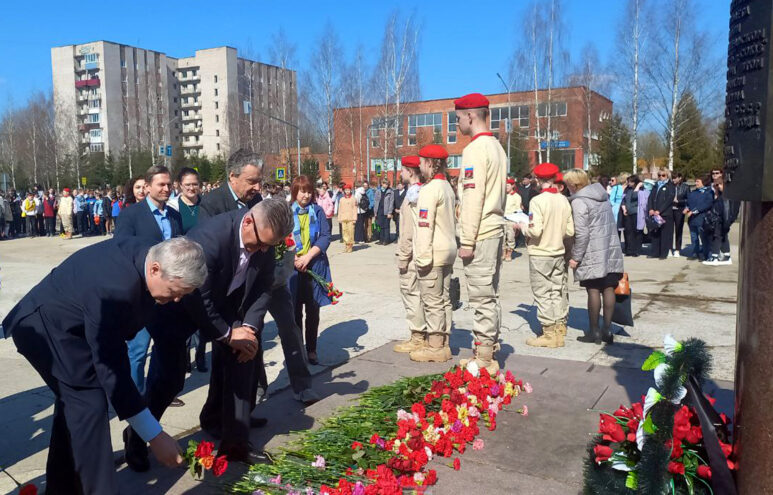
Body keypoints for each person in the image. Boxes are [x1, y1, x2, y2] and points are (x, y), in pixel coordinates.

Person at [2, 236, 207, 493]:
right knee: (88, 403)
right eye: (175, 292)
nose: (177, 299)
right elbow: (111, 364)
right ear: (155, 269)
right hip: (47, 329)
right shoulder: (115, 287)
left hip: (76, 327)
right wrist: (153, 434)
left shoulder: (149, 258)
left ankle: (62, 487)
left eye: (183, 295)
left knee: (75, 410)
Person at [143, 202, 292, 467]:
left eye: (269, 246)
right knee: (169, 381)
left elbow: (264, 287)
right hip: (180, 309)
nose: (263, 251)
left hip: (226, 306)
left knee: (244, 356)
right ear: (248, 222)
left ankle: (234, 442)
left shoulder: (264, 240)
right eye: (260, 245)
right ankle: (137, 434)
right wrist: (227, 334)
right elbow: (199, 299)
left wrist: (249, 328)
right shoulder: (209, 239)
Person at [198, 149, 317, 409]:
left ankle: (302, 385)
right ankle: (254, 394)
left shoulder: (258, 200)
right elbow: (210, 252)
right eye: (252, 181)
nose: (257, 187)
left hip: (269, 279)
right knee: (250, 339)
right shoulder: (212, 203)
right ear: (233, 176)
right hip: (237, 290)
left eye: (259, 181)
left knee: (290, 328)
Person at [115, 166, 183, 400]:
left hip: (168, 296)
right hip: (141, 294)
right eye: (161, 184)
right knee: (138, 350)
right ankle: (135, 398)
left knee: (164, 348)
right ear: (148, 186)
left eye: (169, 184)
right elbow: (121, 251)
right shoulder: (131, 215)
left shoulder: (174, 215)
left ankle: (159, 393)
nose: (166, 188)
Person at [454, 93, 507, 373]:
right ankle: (486, 351)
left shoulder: (475, 150)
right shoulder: (497, 147)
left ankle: (485, 360)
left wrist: (467, 240)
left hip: (481, 232)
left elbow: (473, 198)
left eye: (459, 118)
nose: (458, 123)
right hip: (493, 229)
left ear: (471, 116)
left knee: (481, 296)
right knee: (490, 294)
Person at [514, 163, 575, 348]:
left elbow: (536, 231)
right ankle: (560, 327)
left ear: (539, 180)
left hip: (541, 252)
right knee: (558, 290)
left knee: (543, 293)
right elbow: (570, 231)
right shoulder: (564, 200)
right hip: (558, 251)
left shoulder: (538, 201)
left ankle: (549, 333)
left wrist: (522, 226)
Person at [564, 170, 624, 345]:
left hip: (592, 252)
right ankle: (607, 329)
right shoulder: (602, 197)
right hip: (610, 249)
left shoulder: (579, 202)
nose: (566, 187)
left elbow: (582, 234)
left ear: (574, 185)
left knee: (593, 290)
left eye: (568, 184)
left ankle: (594, 331)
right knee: (609, 288)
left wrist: (575, 257)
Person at [409, 146, 456, 363]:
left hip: (433, 252)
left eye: (421, 162)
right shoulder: (447, 186)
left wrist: (422, 257)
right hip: (448, 249)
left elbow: (425, 226)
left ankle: (435, 346)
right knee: (445, 299)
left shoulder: (429, 190)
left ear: (429, 163)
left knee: (432, 301)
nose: (419, 166)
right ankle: (444, 342)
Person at [289, 175, 332, 366]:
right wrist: (293, 257)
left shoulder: (318, 211)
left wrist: (308, 257)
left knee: (313, 311)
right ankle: (297, 349)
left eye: (308, 191)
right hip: (293, 269)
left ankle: (312, 349)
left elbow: (325, 237)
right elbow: (279, 238)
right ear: (294, 192)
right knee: (294, 312)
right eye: (301, 191)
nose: (305, 195)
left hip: (314, 267)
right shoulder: (286, 213)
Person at [168, 167, 207, 372]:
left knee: (202, 314)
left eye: (195, 184)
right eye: (188, 184)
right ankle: (184, 360)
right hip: (183, 266)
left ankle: (201, 356)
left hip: (203, 265)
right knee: (184, 315)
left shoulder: (205, 205)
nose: (192, 188)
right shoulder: (173, 207)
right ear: (179, 185)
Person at [393, 155, 428, 353]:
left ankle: (417, 336)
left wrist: (403, 256)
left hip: (412, 253)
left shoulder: (413, 195)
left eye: (403, 170)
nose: (401, 173)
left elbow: (408, 230)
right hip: (420, 252)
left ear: (411, 172)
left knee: (411, 293)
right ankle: (421, 334)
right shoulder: (419, 192)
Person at [647, 168, 677, 259]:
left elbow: (669, 200)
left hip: (665, 214)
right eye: (659, 175)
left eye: (663, 175)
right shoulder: (656, 185)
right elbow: (651, 198)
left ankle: (663, 253)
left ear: (667, 176)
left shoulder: (670, 186)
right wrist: (651, 208)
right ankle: (655, 252)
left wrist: (659, 210)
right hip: (655, 213)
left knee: (665, 234)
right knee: (655, 233)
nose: (661, 177)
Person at [684, 175, 713, 261]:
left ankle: (706, 254)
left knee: (704, 238)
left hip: (702, 219)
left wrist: (694, 211)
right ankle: (695, 253)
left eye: (698, 181)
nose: (696, 183)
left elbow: (706, 205)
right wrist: (687, 208)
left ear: (704, 182)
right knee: (694, 238)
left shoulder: (709, 193)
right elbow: (688, 202)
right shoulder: (693, 193)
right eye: (696, 181)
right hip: (692, 220)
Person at [621, 175, 642, 256]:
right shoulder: (627, 189)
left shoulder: (640, 189)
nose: (628, 183)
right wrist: (624, 208)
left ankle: (636, 250)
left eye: (630, 182)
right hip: (627, 212)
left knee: (636, 231)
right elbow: (623, 199)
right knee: (628, 232)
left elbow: (635, 197)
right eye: (628, 181)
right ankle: (629, 250)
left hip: (636, 212)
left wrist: (637, 187)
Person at [503, 177, 523, 261]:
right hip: (502, 219)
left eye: (508, 185)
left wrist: (517, 221)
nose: (506, 187)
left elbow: (518, 210)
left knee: (510, 237)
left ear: (512, 186)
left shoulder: (516, 196)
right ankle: (503, 253)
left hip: (511, 220)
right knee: (502, 238)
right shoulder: (503, 195)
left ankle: (509, 253)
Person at [671, 172, 690, 257]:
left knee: (678, 230)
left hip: (679, 210)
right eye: (672, 178)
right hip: (670, 210)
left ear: (680, 178)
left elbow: (688, 199)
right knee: (669, 230)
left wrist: (679, 201)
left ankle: (678, 249)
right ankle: (668, 248)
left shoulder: (685, 187)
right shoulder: (670, 186)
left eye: (675, 178)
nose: (673, 180)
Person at [373, 178, 395, 245]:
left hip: (386, 211)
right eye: (384, 183)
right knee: (380, 226)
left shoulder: (390, 192)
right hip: (379, 210)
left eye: (387, 184)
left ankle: (386, 240)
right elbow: (376, 201)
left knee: (386, 226)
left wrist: (389, 212)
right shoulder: (378, 191)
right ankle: (381, 239)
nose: (385, 185)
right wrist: (375, 212)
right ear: (382, 184)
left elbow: (391, 203)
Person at [337, 183, 357, 253]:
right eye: (346, 190)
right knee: (344, 232)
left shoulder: (353, 199)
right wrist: (339, 218)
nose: (347, 191)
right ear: (344, 191)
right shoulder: (342, 199)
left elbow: (355, 209)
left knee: (350, 232)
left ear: (350, 190)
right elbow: (340, 209)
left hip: (351, 218)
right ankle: (346, 245)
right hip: (343, 218)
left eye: (348, 190)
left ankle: (350, 246)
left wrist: (354, 219)